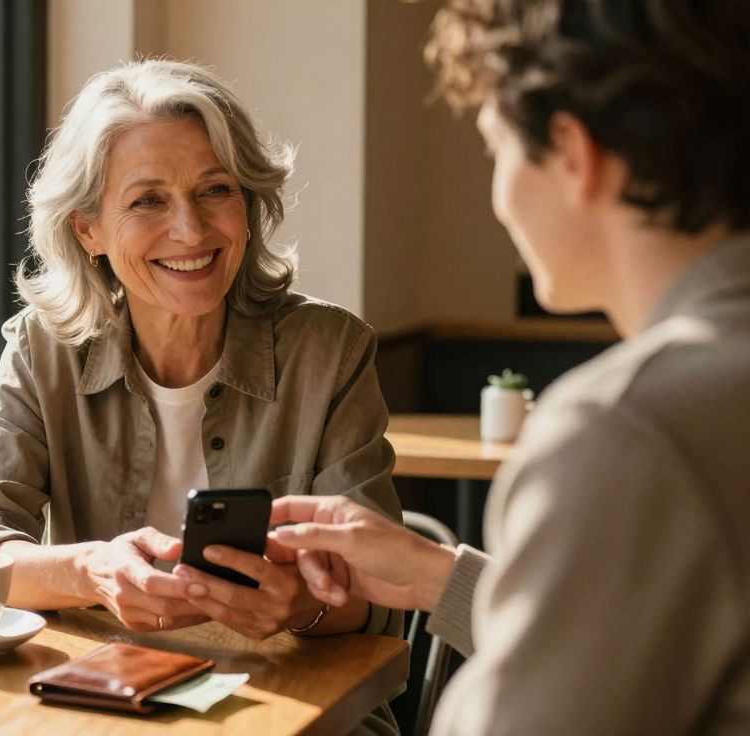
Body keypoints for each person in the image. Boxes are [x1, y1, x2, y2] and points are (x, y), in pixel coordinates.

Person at [269, 1, 750, 733]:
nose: (498, 196)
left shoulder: (626, 429)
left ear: (571, 154)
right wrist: (439, 576)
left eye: (495, 150)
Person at [0, 58, 404, 732]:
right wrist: (89, 569)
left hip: (304, 714)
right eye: (148, 199)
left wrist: (301, 605)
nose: (191, 230)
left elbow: (381, 591)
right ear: (87, 229)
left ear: (248, 204)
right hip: (105, 707)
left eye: (215, 190)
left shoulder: (329, 352)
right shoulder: (43, 351)